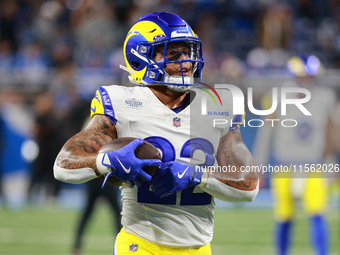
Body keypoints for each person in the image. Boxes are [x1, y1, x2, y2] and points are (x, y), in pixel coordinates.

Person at [54, 12, 258, 255]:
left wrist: (196, 174)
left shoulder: (218, 104)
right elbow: (63, 165)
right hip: (140, 244)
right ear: (140, 57)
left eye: (189, 52)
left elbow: (248, 185)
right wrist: (106, 161)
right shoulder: (120, 102)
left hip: (199, 249)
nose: (186, 62)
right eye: (173, 53)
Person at [253, 55, 337, 255]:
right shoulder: (276, 97)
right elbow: (266, 132)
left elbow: (330, 133)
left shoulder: (326, 97)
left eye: (309, 75)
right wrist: (259, 166)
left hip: (314, 165)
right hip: (285, 166)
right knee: (284, 217)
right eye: (303, 75)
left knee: (318, 214)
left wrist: (332, 165)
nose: (306, 79)